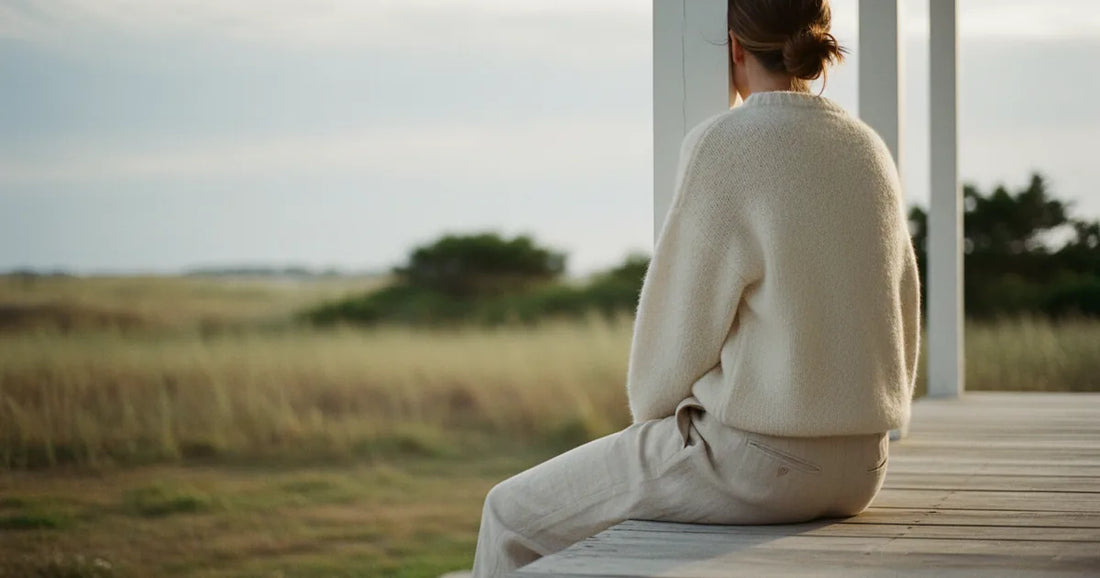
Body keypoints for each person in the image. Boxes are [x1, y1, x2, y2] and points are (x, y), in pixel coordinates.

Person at [470, 0, 921, 575]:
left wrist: (655, 422)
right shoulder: (867, 147)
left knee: (509, 512)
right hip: (864, 468)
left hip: (757, 466)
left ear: (733, 46)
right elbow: (903, 304)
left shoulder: (725, 143)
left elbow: (677, 335)